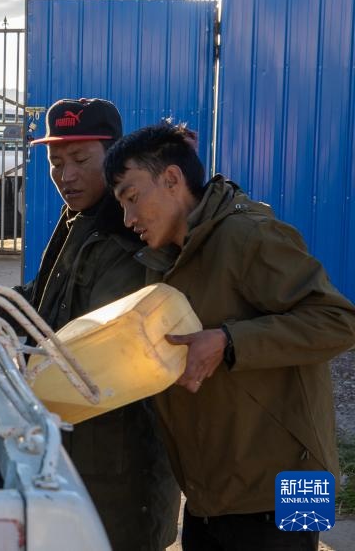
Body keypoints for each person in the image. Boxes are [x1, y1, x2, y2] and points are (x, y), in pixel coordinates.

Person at [103, 122, 355, 551]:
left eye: (132, 198)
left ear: (172, 179)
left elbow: (338, 320)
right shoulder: (169, 254)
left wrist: (228, 341)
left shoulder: (250, 234)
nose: (129, 219)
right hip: (211, 490)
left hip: (290, 485)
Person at [24, 98, 180, 550]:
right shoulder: (81, 219)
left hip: (121, 461)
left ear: (114, 158)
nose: (65, 175)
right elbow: (45, 300)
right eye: (56, 162)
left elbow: (100, 348)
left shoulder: (129, 232)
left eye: (79, 160)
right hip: (79, 446)